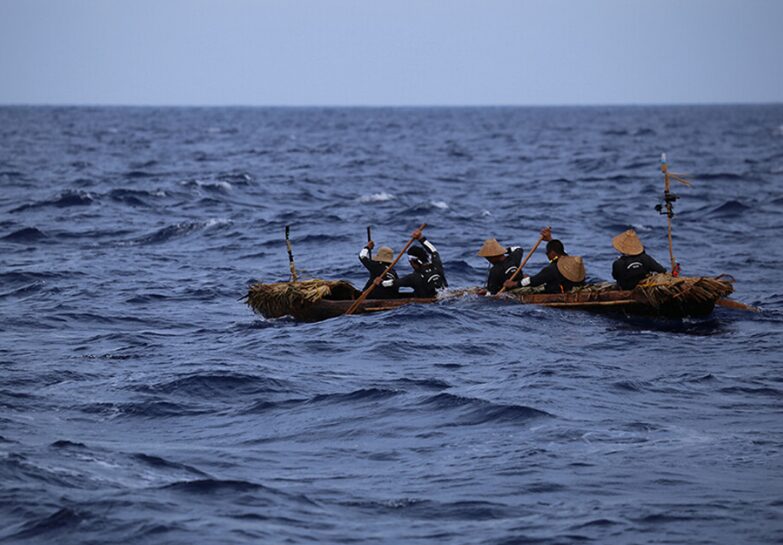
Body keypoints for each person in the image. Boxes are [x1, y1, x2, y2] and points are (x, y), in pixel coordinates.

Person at [502, 227, 586, 293]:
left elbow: (534, 281)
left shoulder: (552, 269)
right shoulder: (572, 262)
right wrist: (550, 239)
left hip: (558, 292)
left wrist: (514, 284)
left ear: (552, 253)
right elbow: (559, 250)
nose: (547, 255)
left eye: (547, 253)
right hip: (574, 288)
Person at [382, 228, 447, 298]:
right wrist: (421, 238)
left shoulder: (414, 278)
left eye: (410, 262)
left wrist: (380, 282)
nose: (410, 264)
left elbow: (393, 283)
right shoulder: (437, 265)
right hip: (445, 297)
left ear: (413, 262)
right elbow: (433, 251)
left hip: (425, 306)